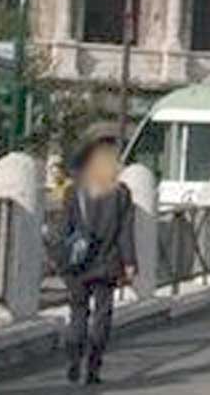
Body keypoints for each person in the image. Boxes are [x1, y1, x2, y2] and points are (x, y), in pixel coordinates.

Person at [63, 123, 136, 387]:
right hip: (107, 263)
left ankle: (73, 358)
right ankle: (93, 369)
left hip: (78, 263)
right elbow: (126, 232)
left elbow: (66, 230)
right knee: (102, 316)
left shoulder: (74, 191)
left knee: (78, 312)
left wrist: (63, 262)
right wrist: (129, 263)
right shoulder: (121, 193)